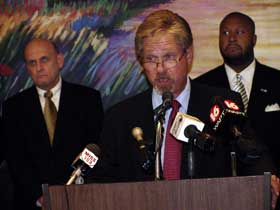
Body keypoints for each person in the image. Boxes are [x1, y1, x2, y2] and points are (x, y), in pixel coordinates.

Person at [98, 9, 279, 208]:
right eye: (151, 59)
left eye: (168, 57)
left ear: (189, 55)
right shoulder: (120, 117)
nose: (160, 69)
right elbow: (101, 180)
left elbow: (253, 153)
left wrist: (266, 178)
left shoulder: (221, 104)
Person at [2, 38, 104, 210]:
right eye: (32, 63)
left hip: (81, 198)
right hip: (33, 203)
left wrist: (74, 190)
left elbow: (95, 148)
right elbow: (15, 159)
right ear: (27, 68)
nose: (39, 68)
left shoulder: (88, 99)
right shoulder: (14, 107)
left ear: (59, 61)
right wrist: (39, 196)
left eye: (44, 60)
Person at [195, 12, 280, 177]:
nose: (231, 38)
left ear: (254, 39)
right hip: (218, 189)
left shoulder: (277, 81)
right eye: (225, 33)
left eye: (240, 32)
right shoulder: (201, 86)